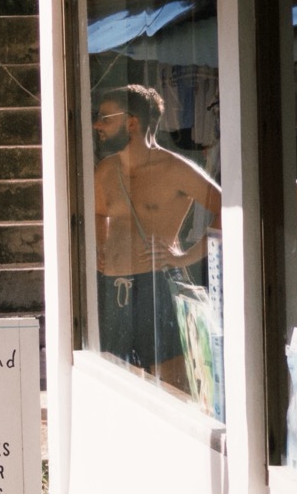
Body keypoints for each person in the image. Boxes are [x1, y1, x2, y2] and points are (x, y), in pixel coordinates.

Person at [93, 84, 221, 391]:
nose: (97, 125)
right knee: (116, 385)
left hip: (155, 286)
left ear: (131, 122)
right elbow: (100, 212)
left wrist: (186, 256)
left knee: (171, 387)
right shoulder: (106, 170)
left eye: (105, 118)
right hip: (111, 288)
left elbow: (227, 210)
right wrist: (100, 244)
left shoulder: (174, 169)